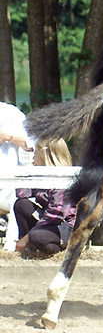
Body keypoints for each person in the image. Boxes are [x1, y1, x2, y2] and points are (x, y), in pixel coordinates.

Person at [14, 139, 76, 256]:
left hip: (63, 226)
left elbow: (56, 214)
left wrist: (27, 237)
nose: (33, 156)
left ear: (44, 155)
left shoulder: (63, 179)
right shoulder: (42, 175)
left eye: (35, 153)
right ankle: (29, 247)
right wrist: (27, 173)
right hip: (47, 222)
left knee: (36, 236)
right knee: (21, 205)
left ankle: (55, 248)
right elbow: (22, 195)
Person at [0, 102, 35, 251]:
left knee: (17, 200)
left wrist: (8, 137)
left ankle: (11, 245)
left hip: (8, 181)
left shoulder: (11, 113)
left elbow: (31, 144)